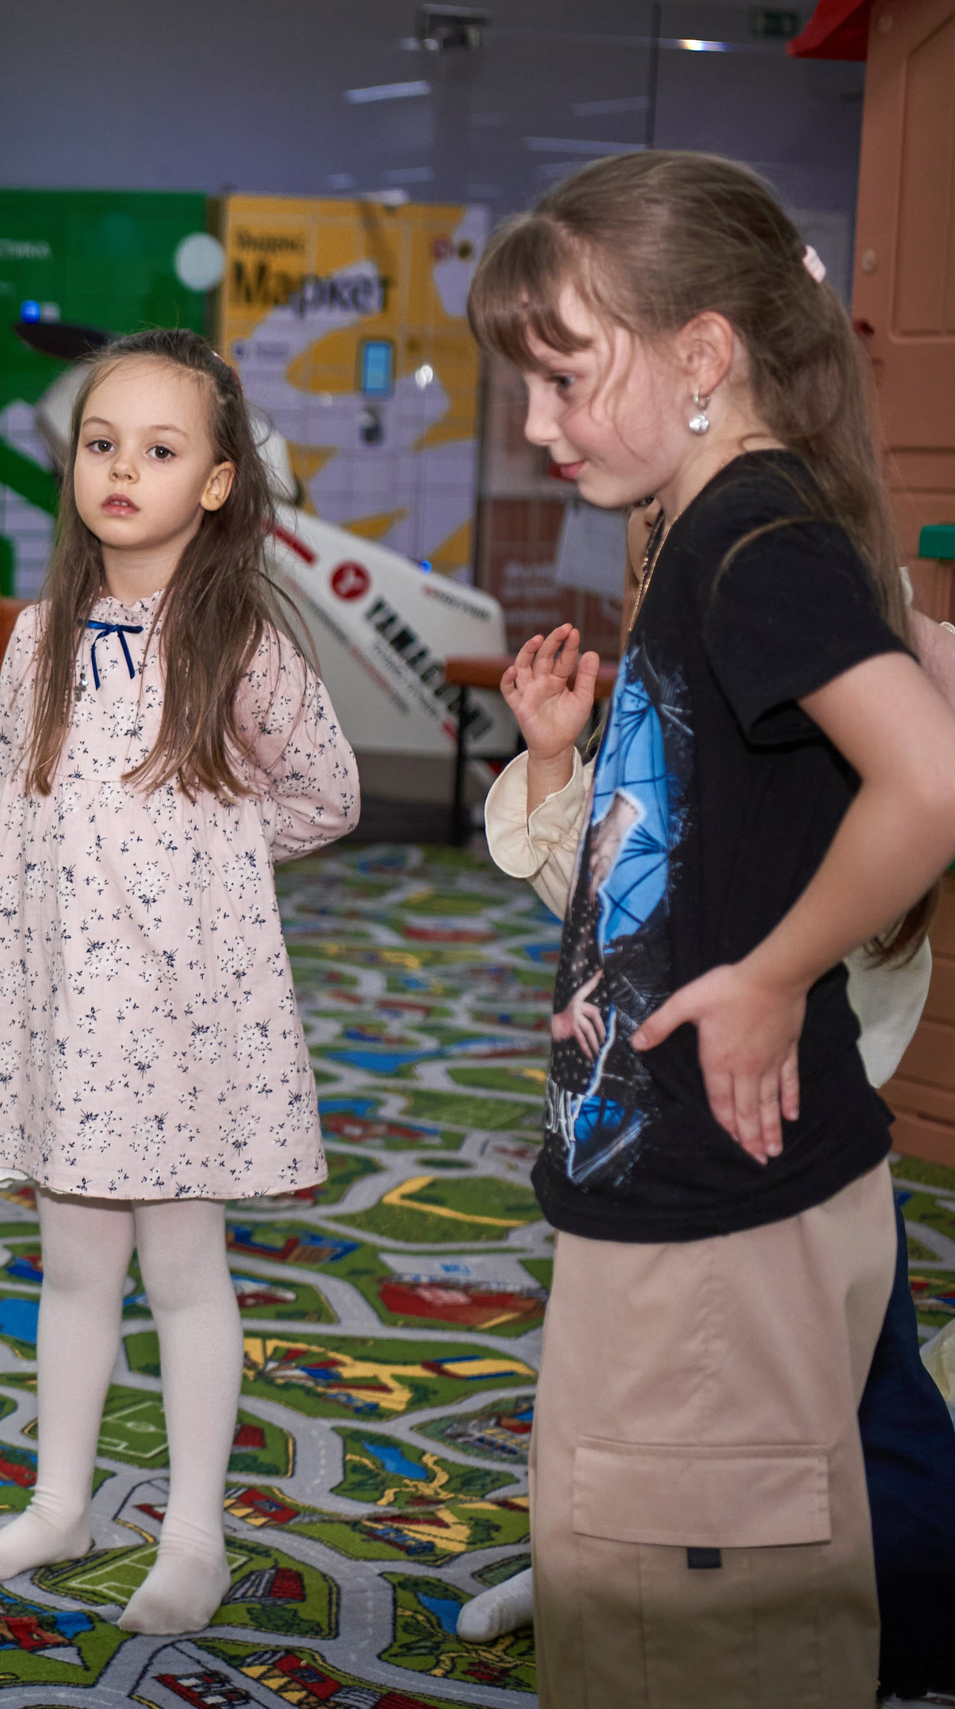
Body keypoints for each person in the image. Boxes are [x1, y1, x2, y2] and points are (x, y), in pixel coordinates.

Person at [460, 151, 955, 1708]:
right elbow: (676, 867)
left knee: (696, 1624)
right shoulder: (705, 530)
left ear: (704, 352)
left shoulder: (753, 541)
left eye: (565, 376)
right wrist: (565, 767)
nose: (538, 429)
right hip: (686, 1181)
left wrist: (772, 975)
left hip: (717, 1203)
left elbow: (930, 784)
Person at [0, 328, 359, 1631]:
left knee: (183, 1270)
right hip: (68, 1011)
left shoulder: (241, 640)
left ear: (216, 480)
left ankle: (194, 1530)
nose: (122, 470)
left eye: (160, 450)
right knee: (70, 1268)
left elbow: (325, 793)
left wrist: (202, 858)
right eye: (102, 444)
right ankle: (59, 1502)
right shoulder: (40, 633)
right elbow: (13, 808)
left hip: (176, 1020)